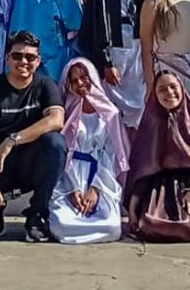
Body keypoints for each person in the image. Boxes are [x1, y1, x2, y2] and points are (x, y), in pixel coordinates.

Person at [0, 30, 66, 241]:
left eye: (30, 57)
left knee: (55, 143)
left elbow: (56, 120)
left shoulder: (45, 85)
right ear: (7, 58)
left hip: (30, 165)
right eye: (17, 56)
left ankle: (37, 215)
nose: (23, 62)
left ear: (38, 61)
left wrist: (12, 140)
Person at [125, 69, 190, 241]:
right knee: (151, 225)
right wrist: (132, 209)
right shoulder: (149, 126)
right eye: (162, 89)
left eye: (173, 87)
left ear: (181, 89)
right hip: (157, 189)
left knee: (188, 225)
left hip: (189, 186)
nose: (169, 93)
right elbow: (142, 171)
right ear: (155, 95)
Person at [47, 56, 128, 243]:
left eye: (84, 77)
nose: (80, 83)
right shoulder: (64, 112)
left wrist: (95, 189)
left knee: (112, 227)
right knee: (61, 225)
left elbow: (113, 155)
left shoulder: (110, 113)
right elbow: (62, 154)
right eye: (73, 81)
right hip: (69, 175)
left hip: (100, 176)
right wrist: (73, 189)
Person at [76, 0, 147, 126]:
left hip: (135, 45)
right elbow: (99, 23)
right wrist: (106, 61)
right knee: (112, 99)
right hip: (113, 47)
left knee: (138, 99)